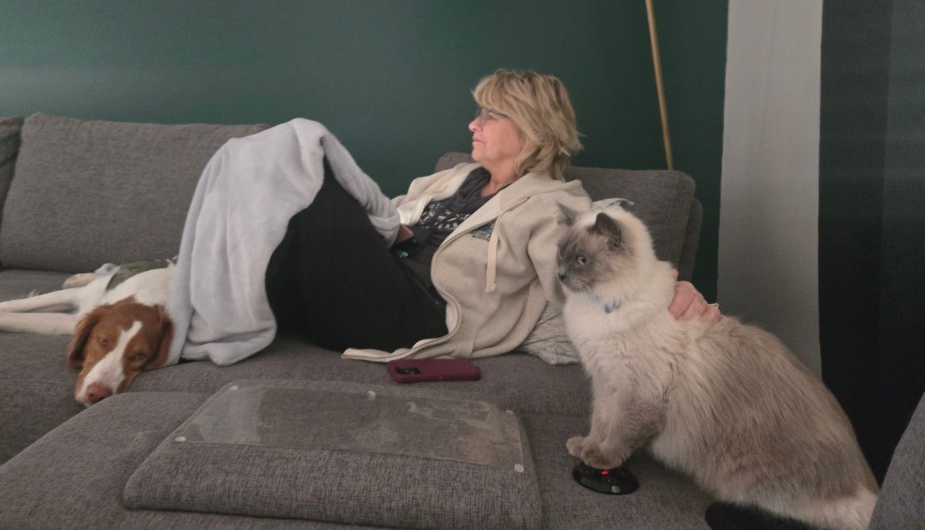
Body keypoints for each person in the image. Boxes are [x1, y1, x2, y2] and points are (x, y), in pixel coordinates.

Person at [264, 69, 718, 362]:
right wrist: (386, 230)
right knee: (279, 185)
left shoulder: (555, 206)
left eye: (488, 116)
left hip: (416, 315)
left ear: (533, 127)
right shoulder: (449, 177)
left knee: (312, 170)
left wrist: (670, 289)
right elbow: (378, 219)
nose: (472, 126)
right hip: (366, 287)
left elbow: (591, 276)